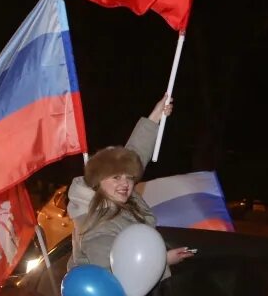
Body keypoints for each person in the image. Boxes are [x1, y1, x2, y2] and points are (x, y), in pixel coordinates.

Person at [67, 96, 195, 278]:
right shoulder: (98, 224)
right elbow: (115, 274)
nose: (125, 183)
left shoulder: (113, 197)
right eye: (116, 177)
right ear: (98, 181)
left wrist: (155, 117)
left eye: (129, 177)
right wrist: (163, 260)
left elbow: (135, 154)